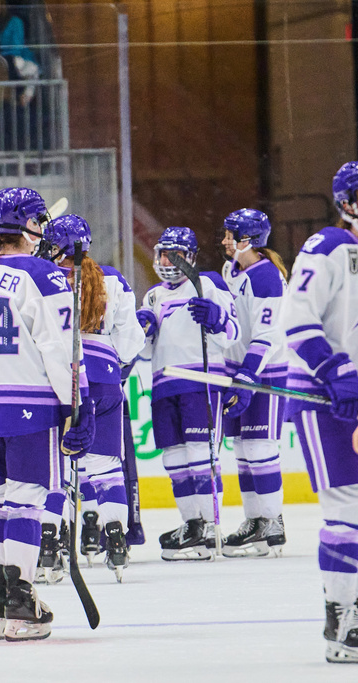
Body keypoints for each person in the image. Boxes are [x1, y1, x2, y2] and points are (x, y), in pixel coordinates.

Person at [0, 187, 94, 642]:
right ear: (27, 225)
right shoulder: (44, 274)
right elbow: (61, 347)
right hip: (26, 403)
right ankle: (23, 601)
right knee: (26, 499)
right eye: (39, 222)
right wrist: (76, 404)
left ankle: (4, 598)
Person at [36, 215, 145, 582]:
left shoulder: (42, 278)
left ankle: (49, 544)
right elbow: (132, 340)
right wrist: (114, 362)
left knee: (55, 472)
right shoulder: (113, 279)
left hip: (59, 379)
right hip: (106, 378)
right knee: (107, 466)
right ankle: (115, 537)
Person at [280, 161, 358, 663]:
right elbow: (296, 319)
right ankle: (343, 617)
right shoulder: (326, 247)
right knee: (347, 508)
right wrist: (334, 370)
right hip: (325, 398)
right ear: (347, 202)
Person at [136, 226, 238, 561]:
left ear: (190, 257)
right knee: (175, 461)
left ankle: (210, 525)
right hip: (164, 385)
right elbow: (148, 352)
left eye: (174, 254)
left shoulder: (207, 283)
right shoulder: (153, 295)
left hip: (200, 382)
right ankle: (192, 524)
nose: (167, 261)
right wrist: (144, 330)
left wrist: (216, 318)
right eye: (163, 254)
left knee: (200, 455)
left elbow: (232, 333)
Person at [219, 208, 290, 558]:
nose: (225, 241)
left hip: (264, 373)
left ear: (248, 239)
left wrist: (248, 374)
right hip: (239, 372)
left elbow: (268, 334)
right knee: (243, 450)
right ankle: (255, 520)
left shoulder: (267, 278)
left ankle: (273, 520)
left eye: (231, 235)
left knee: (261, 446)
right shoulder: (232, 271)